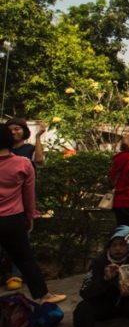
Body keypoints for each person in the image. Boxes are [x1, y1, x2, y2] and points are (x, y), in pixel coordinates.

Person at [0, 124, 65, 303]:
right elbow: (29, 196)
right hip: (13, 219)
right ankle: (43, 295)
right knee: (25, 259)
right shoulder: (23, 163)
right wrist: (30, 217)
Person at [3, 119, 45, 291]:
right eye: (10, 129)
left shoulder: (27, 152)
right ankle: (41, 293)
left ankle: (16, 275)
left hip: (19, 201)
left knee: (21, 242)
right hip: (7, 202)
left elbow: (40, 161)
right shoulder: (5, 151)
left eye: (17, 129)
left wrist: (38, 137)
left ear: (24, 131)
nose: (14, 132)